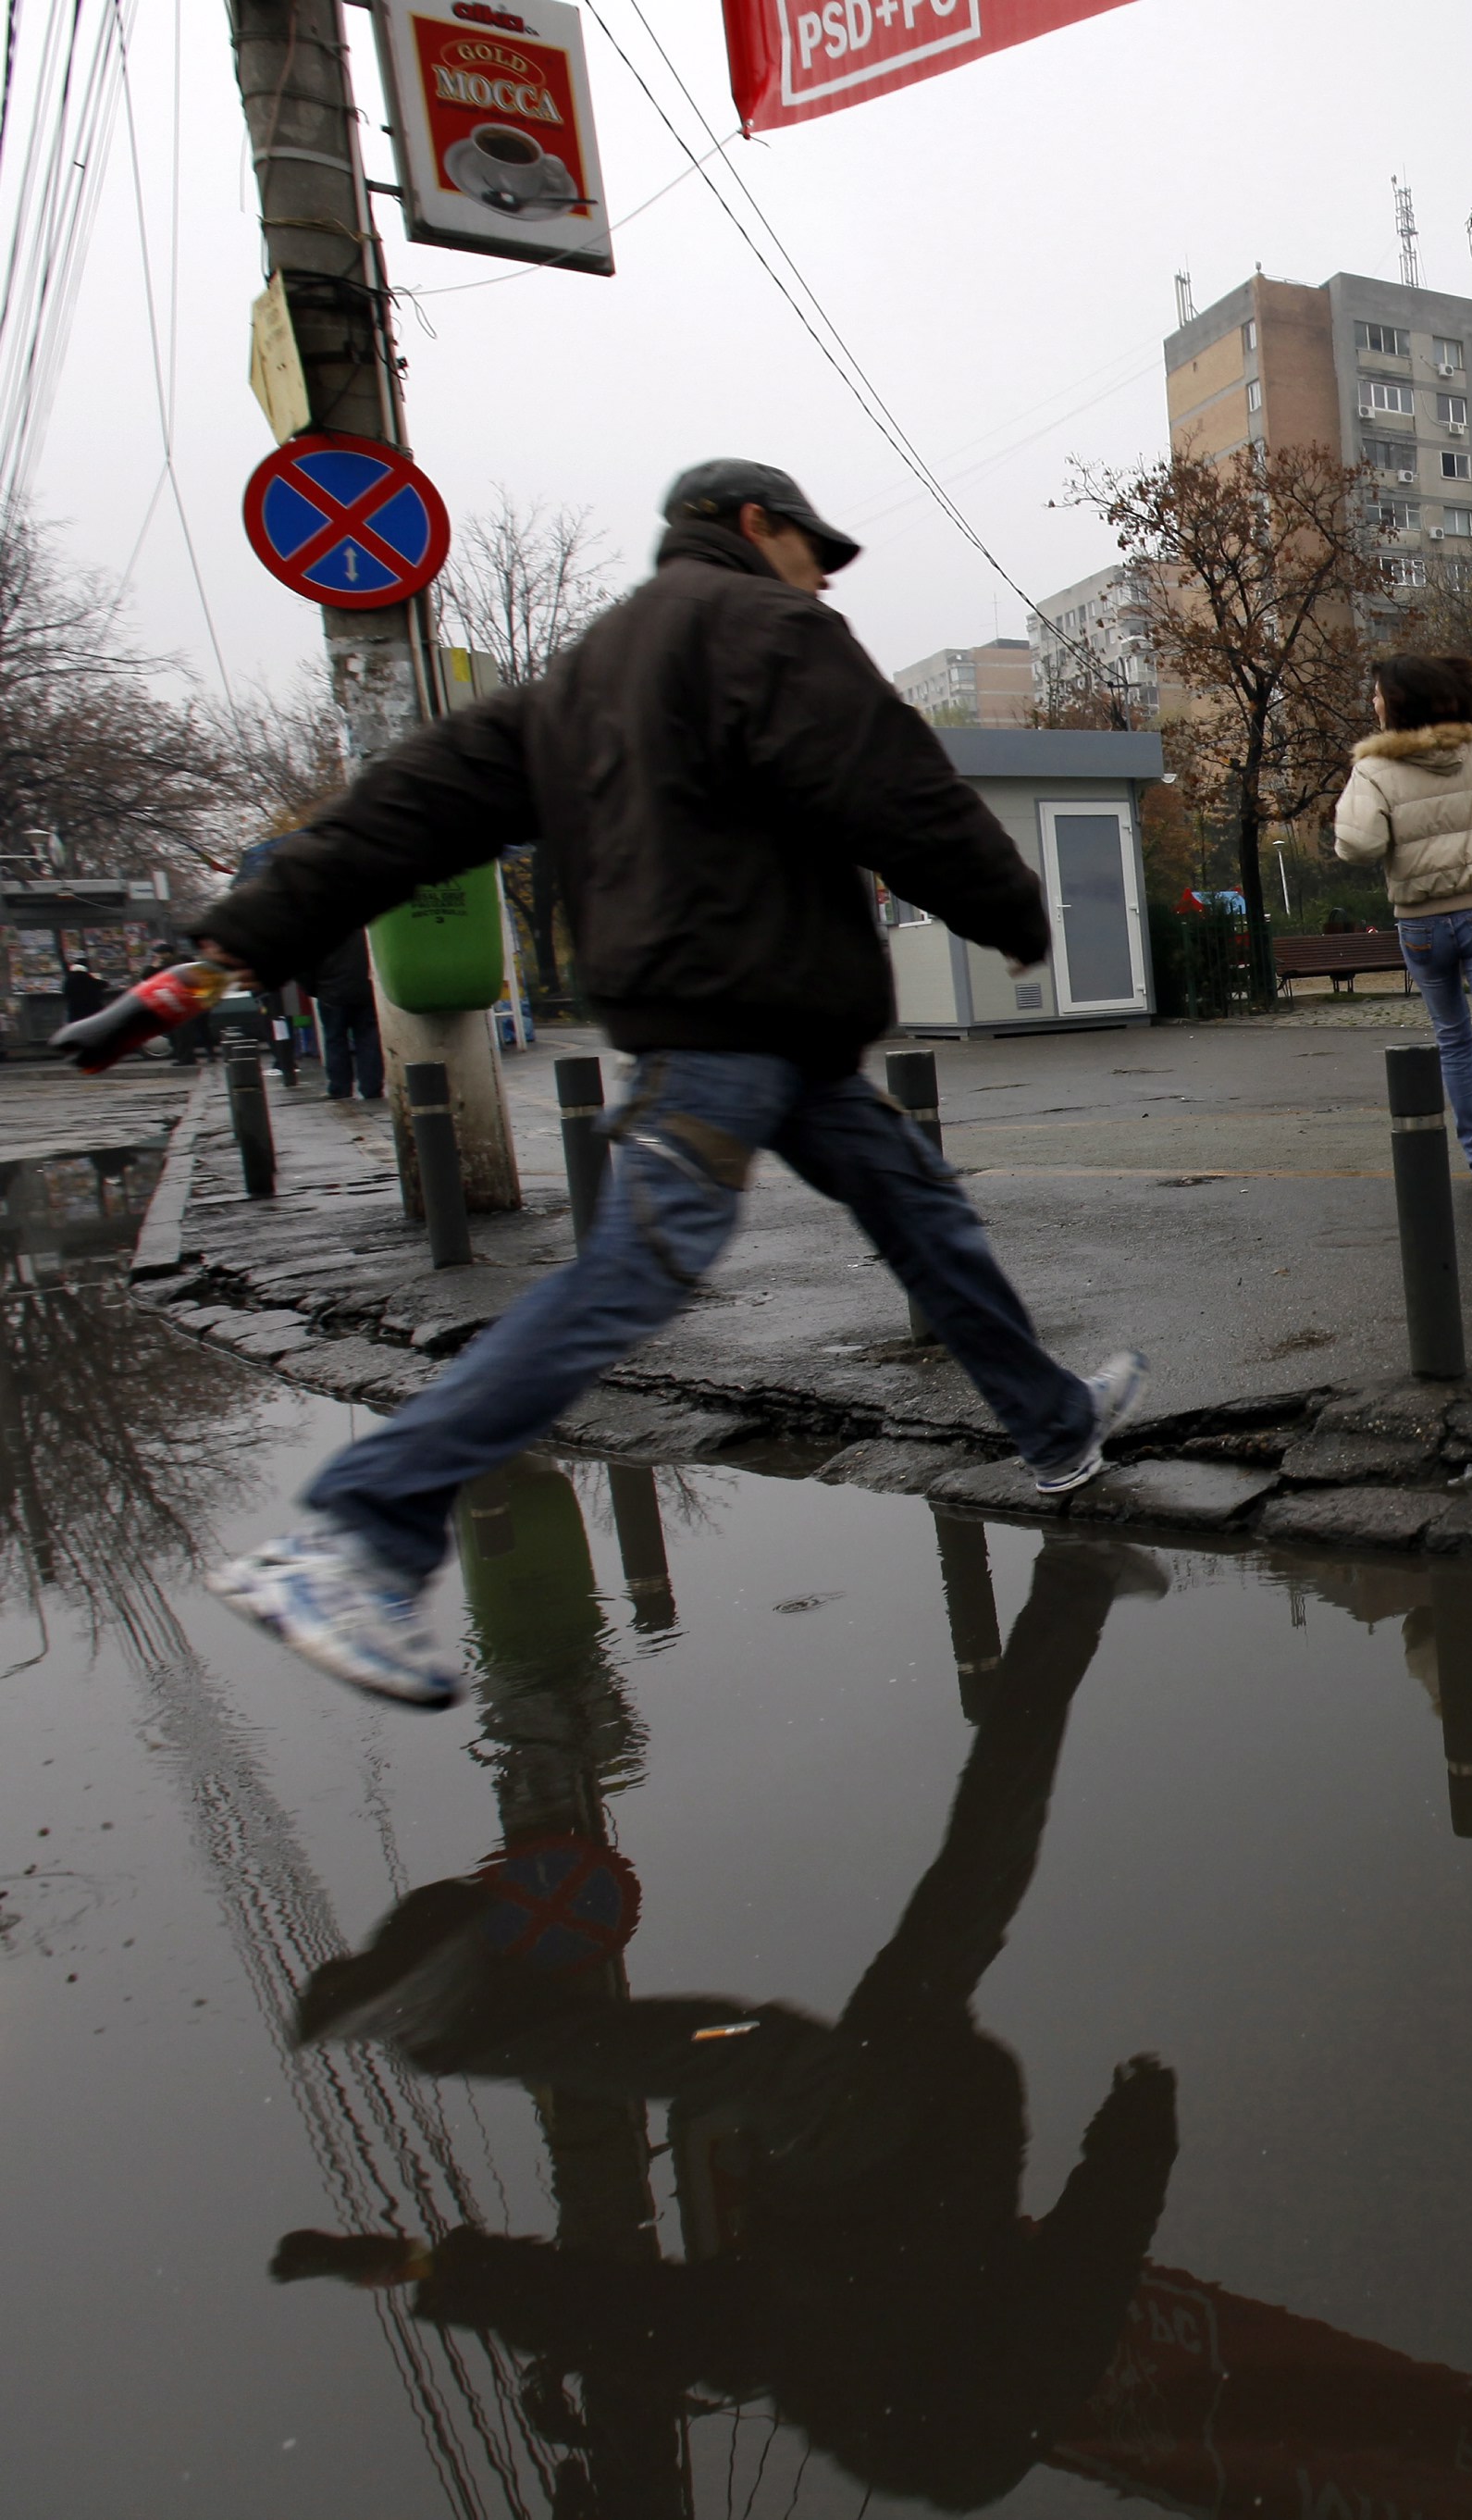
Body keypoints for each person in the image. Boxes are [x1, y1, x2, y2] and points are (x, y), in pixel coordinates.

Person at [188, 458, 1148, 1711]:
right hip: (733, 1022)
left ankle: (1054, 1421)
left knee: (921, 1209)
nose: (823, 570)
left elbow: (406, 807)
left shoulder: (583, 677)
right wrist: (1010, 904)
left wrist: (243, 933)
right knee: (636, 1269)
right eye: (816, 546)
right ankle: (357, 1533)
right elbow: (891, 777)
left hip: (773, 1025)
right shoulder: (766, 625)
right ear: (757, 526)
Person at [270, 1535, 1182, 2510]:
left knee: (796, 2038)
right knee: (975, 1875)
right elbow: (618, 2317)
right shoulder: (804, 2373)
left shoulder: (953, 2435)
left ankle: (462, 2032)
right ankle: (1074, 1589)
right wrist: (433, 2268)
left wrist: (1139, 2130)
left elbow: (1084, 2282)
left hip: (882, 2139)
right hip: (897, 2117)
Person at [1333, 651, 1472, 1208]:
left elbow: (1358, 844)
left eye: (1377, 692)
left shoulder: (1373, 770)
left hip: (1421, 923)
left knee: (1454, 1038)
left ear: (1398, 702)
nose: (1373, 701)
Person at [307, 925, 382, 1099]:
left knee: (335, 1040)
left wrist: (315, 989)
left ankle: (340, 1088)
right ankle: (372, 1087)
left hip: (331, 993)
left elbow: (304, 967)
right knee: (368, 1039)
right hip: (363, 990)